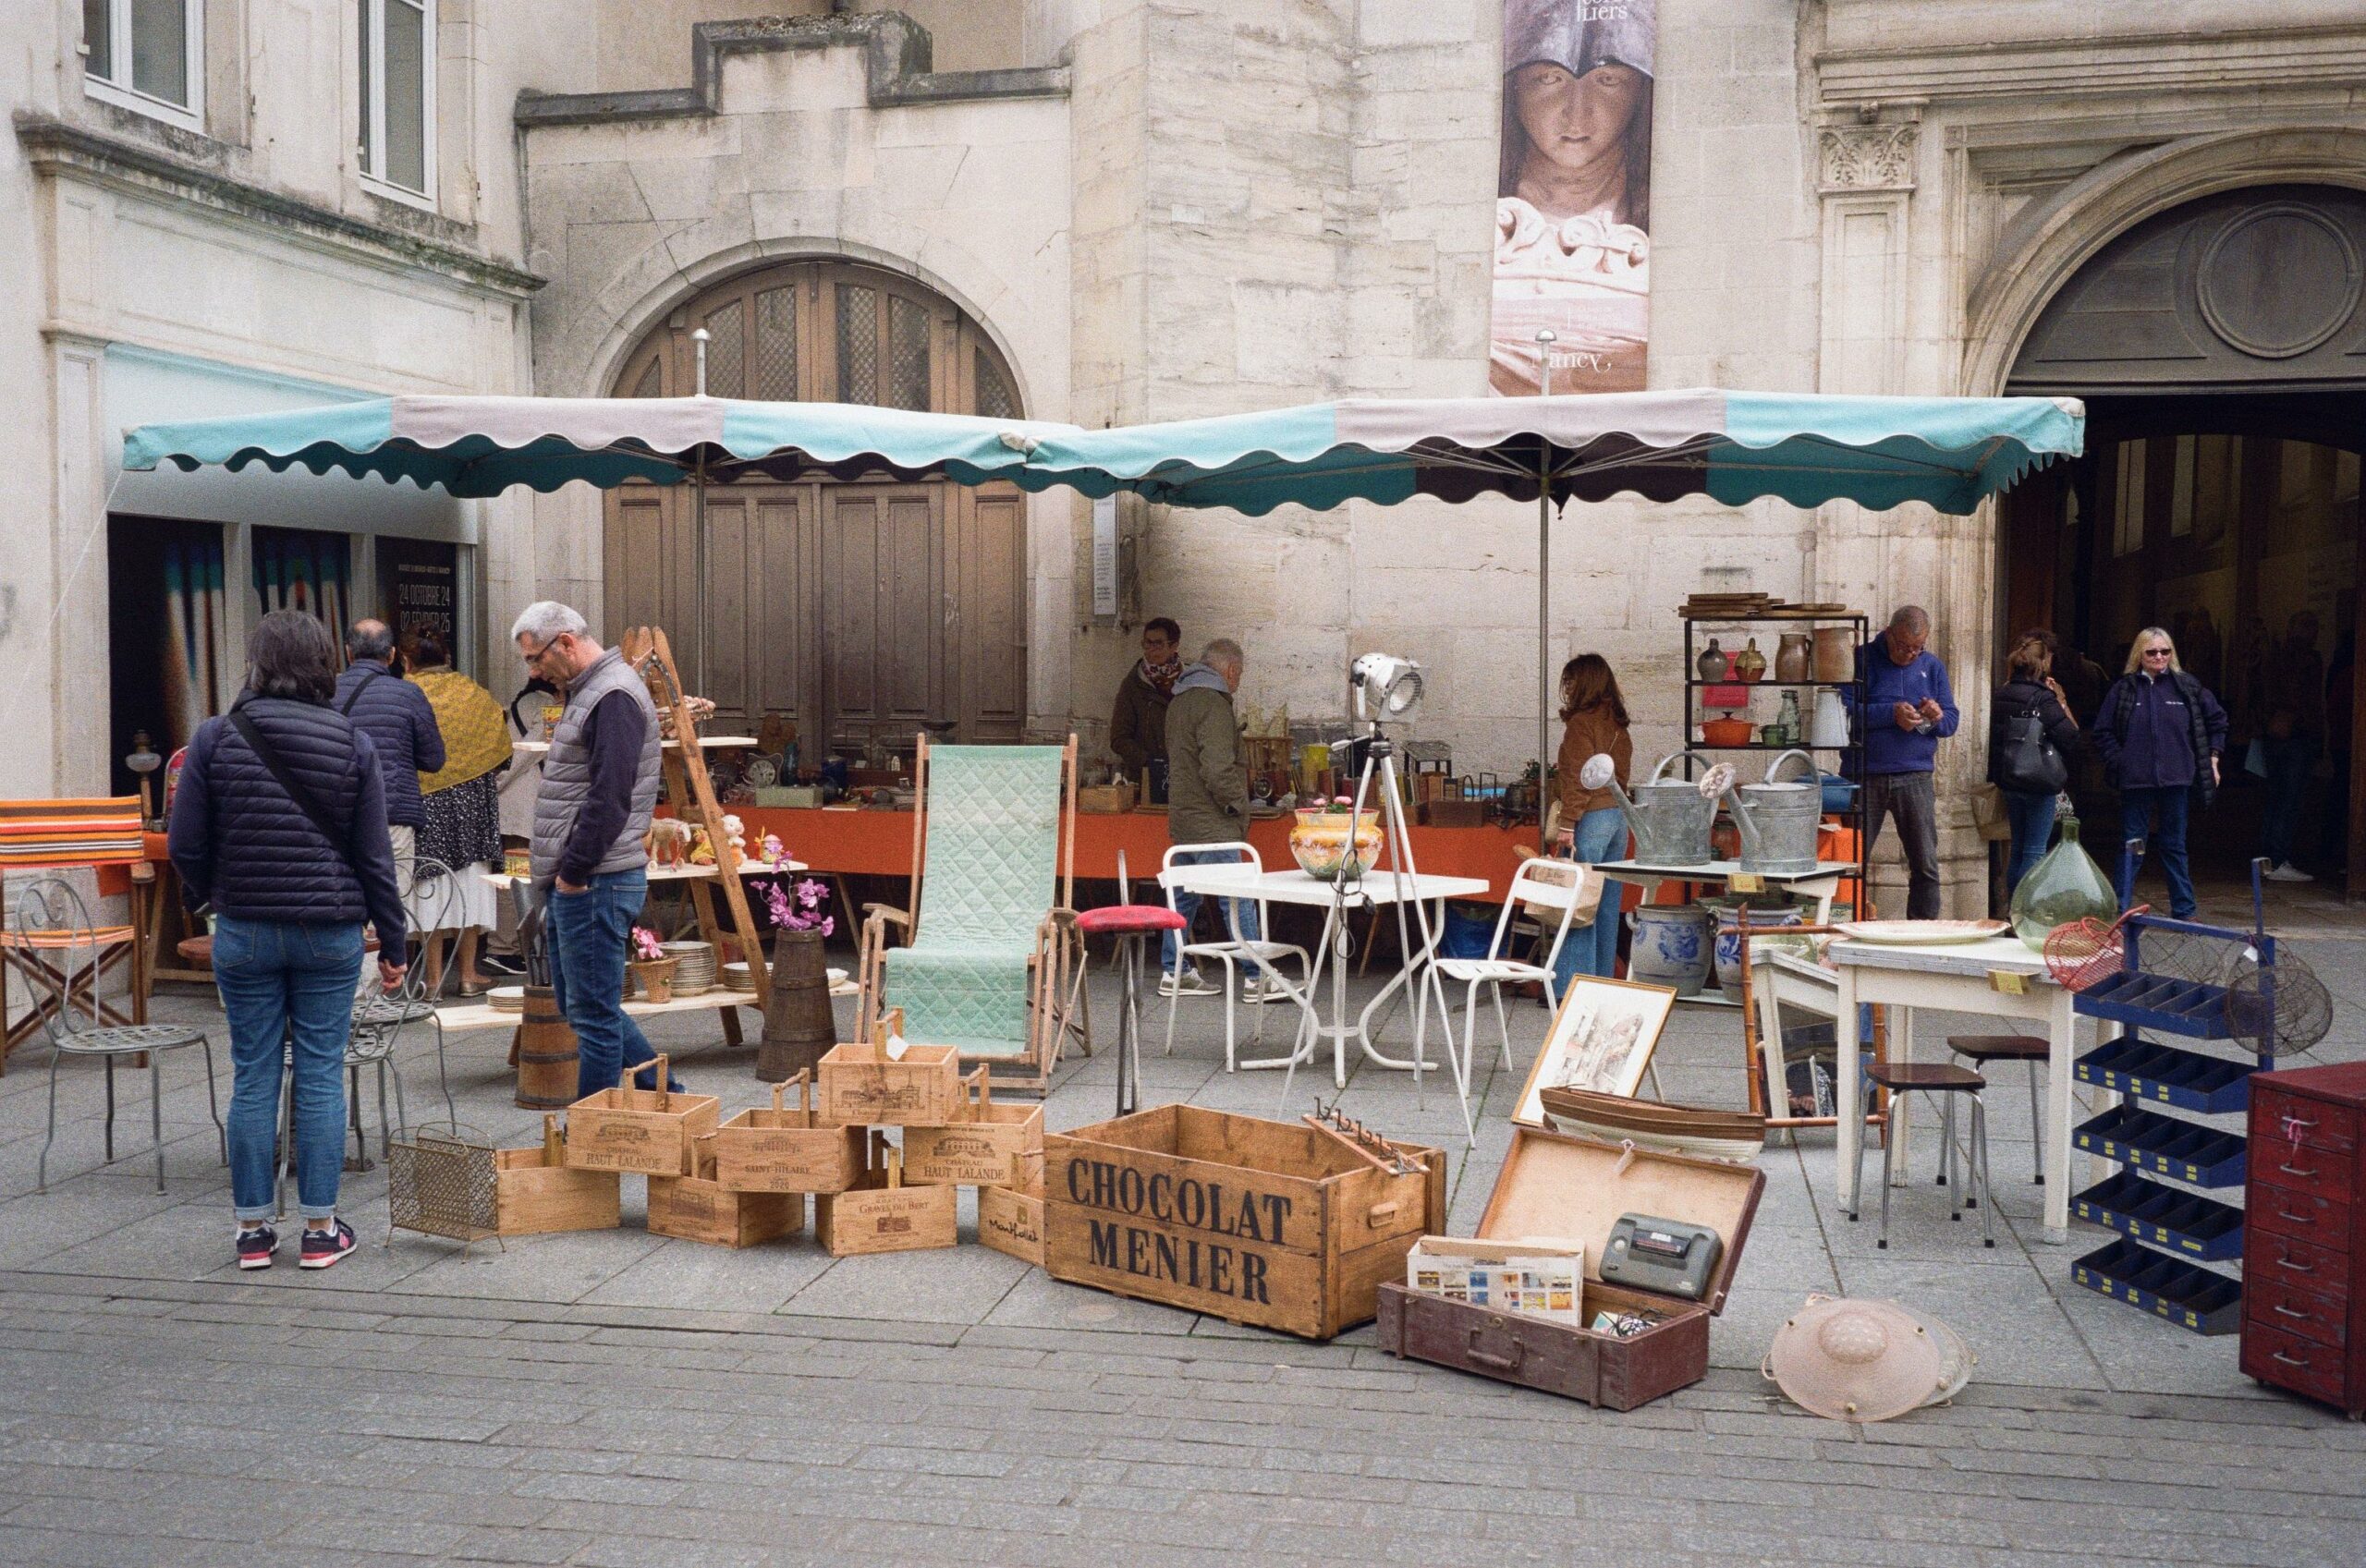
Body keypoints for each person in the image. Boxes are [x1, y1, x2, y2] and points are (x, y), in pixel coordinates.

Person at [167, 610, 406, 1273]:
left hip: (244, 930)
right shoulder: (352, 741)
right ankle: (322, 1230)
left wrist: (212, 898)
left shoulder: (216, 736)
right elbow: (374, 857)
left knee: (254, 1073)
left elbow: (184, 841)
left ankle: (252, 1231)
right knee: (322, 1071)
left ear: (258, 662)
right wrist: (394, 941)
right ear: (326, 662)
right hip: (329, 933)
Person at [512, 602, 674, 1096]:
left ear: (565, 641)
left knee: (594, 1018)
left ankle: (595, 1134)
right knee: (583, 1007)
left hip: (595, 879)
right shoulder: (594, 692)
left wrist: (574, 874)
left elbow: (610, 797)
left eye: (536, 659)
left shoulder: (613, 695)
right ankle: (670, 1100)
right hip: (586, 878)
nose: (535, 672)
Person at [1489, 0, 1656, 395]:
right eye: (1549, 79)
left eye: (1608, 81)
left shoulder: (1654, 227)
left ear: (1639, 93)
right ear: (1514, 90)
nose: (1576, 116)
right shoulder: (1497, 228)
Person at [2092, 626, 2227, 921]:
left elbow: (2217, 720)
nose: (2159, 657)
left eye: (2165, 651)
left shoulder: (2187, 687)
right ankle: (2120, 909)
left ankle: (2184, 908)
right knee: (2132, 844)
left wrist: (2213, 758)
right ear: (2139, 655)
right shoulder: (2124, 689)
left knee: (2174, 845)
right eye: (2152, 652)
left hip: (2177, 779)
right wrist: (2121, 760)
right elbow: (2102, 731)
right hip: (2136, 781)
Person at [405, 629, 511, 993]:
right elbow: (501, 748)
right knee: (471, 884)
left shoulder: (407, 693)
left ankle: (433, 979)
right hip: (472, 804)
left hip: (425, 801)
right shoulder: (474, 693)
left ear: (406, 661)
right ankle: (468, 975)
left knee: (431, 884)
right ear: (447, 656)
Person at [1160, 638, 1265, 1001]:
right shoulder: (1214, 705)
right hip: (1213, 821)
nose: (1237, 682)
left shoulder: (1179, 700)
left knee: (1183, 898)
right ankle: (1256, 976)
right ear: (1231, 670)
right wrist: (1239, 806)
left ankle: (1174, 970)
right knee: (1237, 897)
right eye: (1239, 675)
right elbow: (1218, 770)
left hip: (1185, 817)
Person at [1855, 606, 1958, 920]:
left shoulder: (1933, 666)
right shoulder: (1862, 659)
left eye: (1917, 648)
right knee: (1852, 861)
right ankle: (1847, 925)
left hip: (1915, 776)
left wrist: (1935, 717)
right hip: (1865, 773)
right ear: (1888, 634)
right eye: (1903, 646)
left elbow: (1950, 722)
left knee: (1925, 863)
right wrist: (1891, 714)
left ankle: (1922, 932)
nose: (1910, 654)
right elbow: (1840, 714)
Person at [335, 618, 445, 887]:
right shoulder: (408, 694)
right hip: (393, 817)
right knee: (391, 910)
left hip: (338, 819)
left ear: (348, 652)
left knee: (344, 907)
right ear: (392, 654)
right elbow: (434, 759)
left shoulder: (324, 694)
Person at [1551, 653, 1632, 991]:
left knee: (1578, 907)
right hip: (1618, 817)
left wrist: (1567, 823)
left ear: (1583, 683)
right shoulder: (1617, 722)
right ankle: (1599, 984)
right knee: (1607, 907)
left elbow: (1578, 778)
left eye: (1570, 681)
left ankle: (1573, 986)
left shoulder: (1582, 723)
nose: (1566, 688)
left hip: (1592, 817)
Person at [1989, 630, 2083, 893]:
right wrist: (2061, 701)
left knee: (2018, 847)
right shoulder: (2042, 698)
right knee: (2034, 851)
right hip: (2038, 782)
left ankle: (2012, 910)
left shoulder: (2001, 693)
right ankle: (2025, 911)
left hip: (2009, 780)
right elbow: (2070, 737)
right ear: (2044, 663)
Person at [2258, 611, 2325, 882]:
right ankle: (2277, 859)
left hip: (2274, 734)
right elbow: (2306, 700)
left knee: (2275, 798)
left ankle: (2265, 859)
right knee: (2289, 800)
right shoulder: (2309, 660)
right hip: (2297, 736)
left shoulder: (2274, 656)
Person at [1111, 617, 1181, 784]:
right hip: (1145, 778)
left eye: (1158, 644)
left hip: (1185, 776)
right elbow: (1119, 738)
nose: (1151, 650)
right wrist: (1149, 762)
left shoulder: (1190, 682)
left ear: (1174, 646)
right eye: (1147, 643)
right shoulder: (1133, 684)